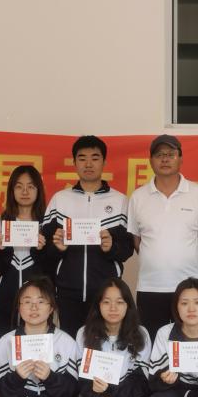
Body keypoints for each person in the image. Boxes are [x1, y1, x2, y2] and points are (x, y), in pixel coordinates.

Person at [42, 135, 134, 337]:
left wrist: (112, 248)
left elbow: (128, 249)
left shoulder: (120, 201)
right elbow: (43, 248)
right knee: (71, 345)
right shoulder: (60, 200)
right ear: (74, 162)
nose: (89, 164)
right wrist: (58, 248)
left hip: (106, 295)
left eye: (95, 158)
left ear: (104, 162)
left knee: (103, 346)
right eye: (82, 158)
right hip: (68, 292)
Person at [127, 135, 198, 335]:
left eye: (170, 154)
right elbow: (136, 239)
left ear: (180, 159)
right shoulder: (138, 197)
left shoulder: (197, 193)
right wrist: (156, 256)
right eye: (159, 155)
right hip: (150, 286)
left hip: (188, 287)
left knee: (188, 340)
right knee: (152, 341)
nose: (165, 159)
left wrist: (186, 255)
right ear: (151, 161)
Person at [75, 278, 151, 397]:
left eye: (120, 302)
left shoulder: (141, 334)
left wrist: (111, 393)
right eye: (106, 302)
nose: (113, 308)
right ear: (98, 305)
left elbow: (142, 382)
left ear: (128, 305)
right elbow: (82, 381)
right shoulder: (84, 334)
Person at [0, 164, 49, 334]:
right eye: (19, 186)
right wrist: (2, 250)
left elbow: (51, 267)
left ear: (38, 190)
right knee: (6, 344)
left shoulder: (47, 223)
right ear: (11, 190)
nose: (25, 191)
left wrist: (41, 251)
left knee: (37, 345)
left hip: (39, 301)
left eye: (31, 186)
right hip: (5, 298)